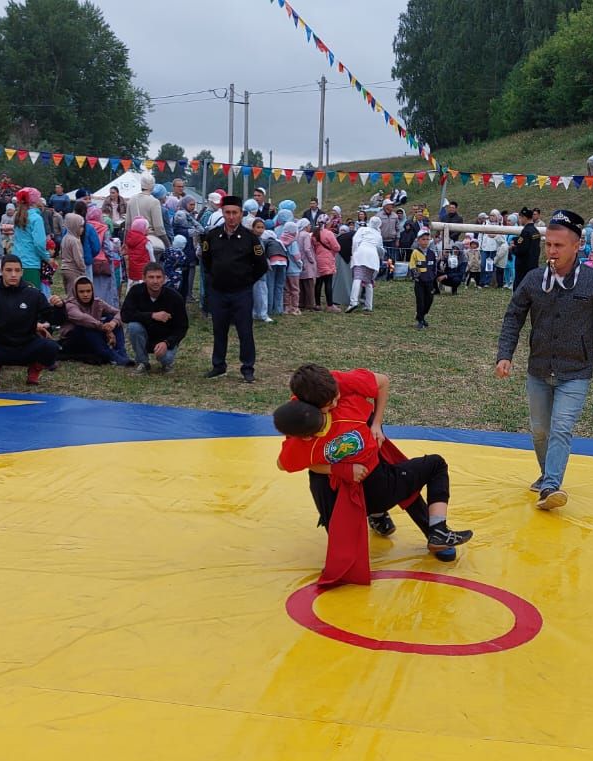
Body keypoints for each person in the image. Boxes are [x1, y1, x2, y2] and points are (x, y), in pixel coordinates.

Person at [275, 364, 473, 586]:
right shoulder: (352, 408)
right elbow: (380, 386)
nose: (335, 403)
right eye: (328, 405)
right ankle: (435, 528)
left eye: (336, 397)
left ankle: (382, 520)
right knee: (418, 468)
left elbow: (286, 464)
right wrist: (342, 464)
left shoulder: (304, 440)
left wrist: (376, 424)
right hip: (370, 480)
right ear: (307, 405)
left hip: (345, 493)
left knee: (375, 466)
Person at [495, 209, 593, 511]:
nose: (552, 251)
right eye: (549, 245)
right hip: (539, 368)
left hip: (576, 371)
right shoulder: (533, 279)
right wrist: (505, 354)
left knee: (561, 427)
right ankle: (547, 475)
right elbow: (513, 317)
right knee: (540, 430)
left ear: (576, 245)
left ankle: (551, 486)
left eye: (558, 245)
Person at [0, 255, 64, 386]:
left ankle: (35, 369)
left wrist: (59, 307)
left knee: (52, 347)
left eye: (17, 270)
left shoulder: (34, 294)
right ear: (1, 271)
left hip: (26, 345)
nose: (13, 274)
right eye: (9, 270)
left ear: (22, 272)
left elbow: (54, 319)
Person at [201, 196, 268, 383]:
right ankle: (218, 365)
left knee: (245, 331)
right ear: (222, 213)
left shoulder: (250, 238)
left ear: (241, 214)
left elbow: (261, 265)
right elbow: (206, 261)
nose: (231, 217)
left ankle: (247, 368)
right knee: (219, 329)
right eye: (227, 213)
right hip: (218, 292)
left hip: (241, 292)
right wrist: (215, 277)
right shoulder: (212, 236)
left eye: (234, 213)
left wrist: (247, 281)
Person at [120, 262, 186, 374]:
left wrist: (167, 342)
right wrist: (152, 315)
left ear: (164, 279)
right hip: (144, 335)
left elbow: (182, 327)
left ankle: (167, 364)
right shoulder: (135, 291)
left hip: (164, 338)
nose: (155, 281)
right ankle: (143, 362)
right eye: (151, 277)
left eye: (158, 277)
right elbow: (125, 315)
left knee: (166, 359)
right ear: (144, 278)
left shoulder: (175, 297)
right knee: (133, 326)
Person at [60, 275, 129, 366]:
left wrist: (113, 323)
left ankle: (121, 352)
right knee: (86, 327)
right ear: (75, 292)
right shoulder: (70, 305)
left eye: (88, 291)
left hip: (94, 336)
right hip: (74, 340)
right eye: (81, 292)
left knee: (111, 319)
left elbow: (120, 313)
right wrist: (103, 327)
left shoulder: (97, 302)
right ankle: (111, 356)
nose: (85, 295)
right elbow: (83, 318)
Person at [9, 188, 49, 288]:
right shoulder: (36, 218)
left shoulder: (18, 216)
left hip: (17, 260)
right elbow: (39, 244)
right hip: (31, 264)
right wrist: (47, 257)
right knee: (31, 296)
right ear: (35, 201)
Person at [347, 216, 383, 312]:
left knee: (357, 278)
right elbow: (380, 249)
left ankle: (353, 302)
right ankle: (369, 305)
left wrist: (354, 253)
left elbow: (355, 241)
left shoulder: (363, 229)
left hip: (361, 253)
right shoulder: (379, 235)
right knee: (368, 281)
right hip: (373, 256)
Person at [409, 229, 440, 329]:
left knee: (429, 300)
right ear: (418, 240)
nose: (425, 241)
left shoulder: (431, 253)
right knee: (420, 301)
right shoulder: (415, 252)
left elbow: (434, 266)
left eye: (427, 239)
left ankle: (421, 315)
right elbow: (412, 265)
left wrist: (433, 275)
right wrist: (416, 276)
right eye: (423, 239)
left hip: (430, 281)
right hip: (420, 282)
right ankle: (420, 320)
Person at [510, 207, 541, 289]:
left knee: (520, 289)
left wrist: (513, 248)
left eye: (520, 217)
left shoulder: (525, 231)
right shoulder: (536, 231)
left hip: (523, 267)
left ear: (524, 217)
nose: (519, 220)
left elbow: (521, 250)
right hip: (533, 265)